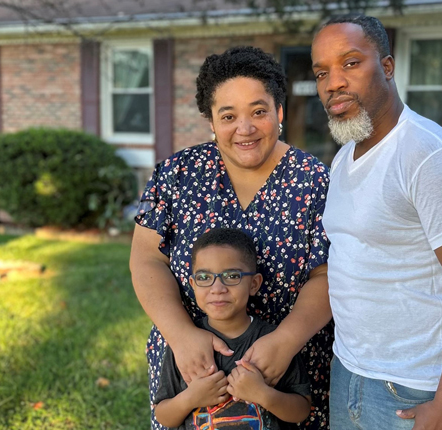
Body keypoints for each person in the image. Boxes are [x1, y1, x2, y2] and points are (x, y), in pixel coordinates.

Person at [310, 14, 442, 430]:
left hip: (416, 389)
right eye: (321, 72)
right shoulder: (345, 156)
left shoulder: (428, 155)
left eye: (350, 63)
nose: (333, 83)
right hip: (350, 372)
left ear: (387, 66)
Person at [130, 46, 333, 430]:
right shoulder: (176, 174)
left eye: (258, 111)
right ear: (210, 120)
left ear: (279, 112)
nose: (245, 128)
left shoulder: (315, 180)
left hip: (285, 373)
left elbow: (328, 273)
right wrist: (181, 336)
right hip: (193, 371)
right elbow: (147, 259)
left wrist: (285, 341)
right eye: (228, 116)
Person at [154, 228, 312, 429]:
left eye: (231, 275)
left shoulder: (274, 341)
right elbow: (163, 416)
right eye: (204, 277)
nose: (217, 288)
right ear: (192, 284)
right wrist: (191, 398)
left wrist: (264, 395)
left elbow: (301, 410)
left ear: (254, 284)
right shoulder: (186, 343)